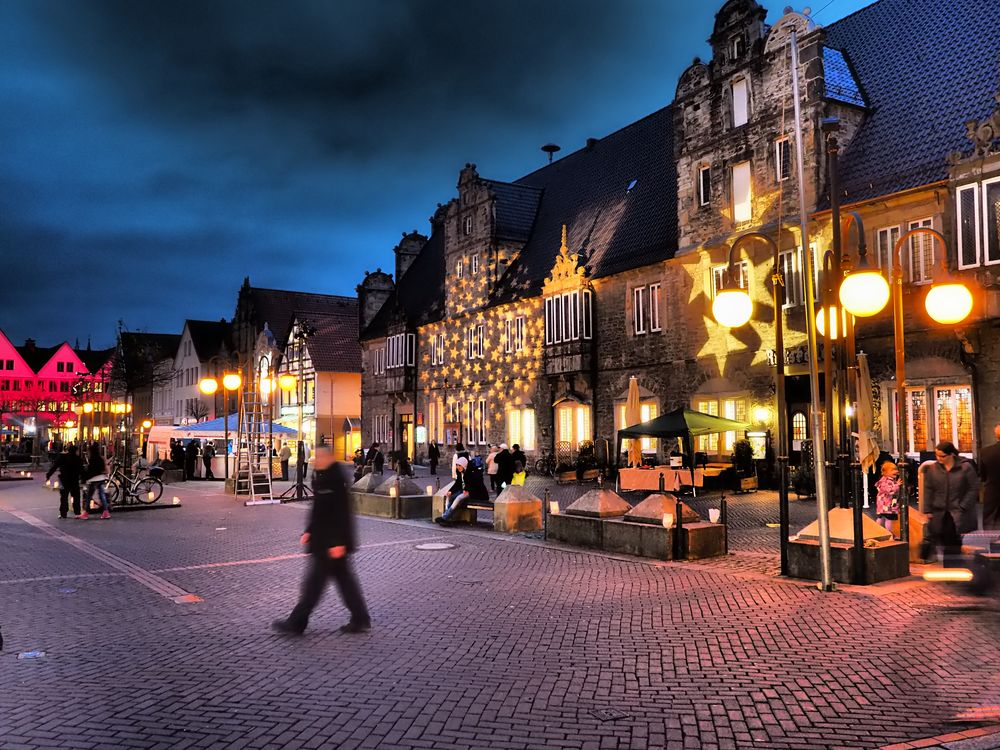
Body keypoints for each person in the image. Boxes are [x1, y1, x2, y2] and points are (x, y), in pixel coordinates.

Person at [272, 446, 371, 635]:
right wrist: (309, 530)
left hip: (329, 543)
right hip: (326, 541)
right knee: (344, 582)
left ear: (329, 458)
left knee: (313, 586)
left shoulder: (334, 481)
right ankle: (360, 618)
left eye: (319, 457)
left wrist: (338, 542)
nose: (316, 460)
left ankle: (296, 623)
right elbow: (319, 510)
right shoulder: (323, 477)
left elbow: (341, 513)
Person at [919, 441, 980, 562]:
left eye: (942, 456)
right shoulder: (933, 469)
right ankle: (952, 566)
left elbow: (973, 488)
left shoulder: (965, 467)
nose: (939, 458)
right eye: (937, 455)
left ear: (951, 454)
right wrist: (927, 509)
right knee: (941, 538)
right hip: (939, 511)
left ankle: (953, 567)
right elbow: (928, 489)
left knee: (952, 541)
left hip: (957, 511)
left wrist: (963, 505)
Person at [435, 456, 489, 525]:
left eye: (459, 465)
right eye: (457, 465)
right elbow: (458, 483)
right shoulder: (460, 472)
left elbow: (476, 484)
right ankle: (447, 517)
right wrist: (450, 491)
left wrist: (467, 490)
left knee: (458, 498)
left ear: (464, 465)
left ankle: (445, 517)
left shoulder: (472, 472)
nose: (458, 467)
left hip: (474, 493)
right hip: (464, 490)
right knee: (449, 496)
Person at [46, 444, 84, 519]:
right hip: (74, 480)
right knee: (76, 496)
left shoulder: (62, 457)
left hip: (64, 480)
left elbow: (55, 466)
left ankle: (63, 513)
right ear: (75, 451)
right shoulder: (78, 458)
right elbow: (81, 470)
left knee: (63, 497)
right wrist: (84, 478)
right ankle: (77, 513)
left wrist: (48, 475)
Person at [81, 443, 111, 520]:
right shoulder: (100, 458)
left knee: (89, 496)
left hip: (94, 479)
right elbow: (102, 468)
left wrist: (84, 478)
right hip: (101, 478)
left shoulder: (92, 459)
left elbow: (91, 470)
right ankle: (106, 512)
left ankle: (86, 513)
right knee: (102, 495)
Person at [980, 423, 1000, 531]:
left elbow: (982, 474)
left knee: (991, 521)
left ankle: (994, 545)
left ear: (996, 435)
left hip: (992, 490)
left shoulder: (986, 452)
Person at [874, 460, 901, 535]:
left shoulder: (888, 480)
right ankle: (890, 533)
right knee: (889, 519)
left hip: (883, 505)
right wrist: (897, 485)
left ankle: (877, 531)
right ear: (885, 472)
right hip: (887, 504)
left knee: (881, 518)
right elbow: (889, 490)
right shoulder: (886, 481)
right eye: (893, 470)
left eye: (896, 469)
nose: (896, 471)